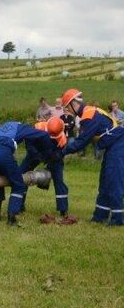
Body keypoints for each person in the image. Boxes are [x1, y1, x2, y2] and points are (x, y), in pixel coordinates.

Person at [61, 89, 124, 226]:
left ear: (73, 104)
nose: (67, 111)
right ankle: (100, 216)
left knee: (114, 181)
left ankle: (118, 219)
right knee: (105, 181)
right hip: (113, 146)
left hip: (119, 145)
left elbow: (81, 142)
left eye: (67, 107)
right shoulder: (88, 112)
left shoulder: (88, 116)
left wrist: (61, 151)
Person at [0, 120, 61, 227]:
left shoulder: (4, 126)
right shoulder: (22, 127)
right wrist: (48, 154)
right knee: (18, 184)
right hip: (2, 152)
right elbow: (44, 135)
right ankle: (12, 218)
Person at [19, 118, 75, 224]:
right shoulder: (37, 127)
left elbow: (59, 154)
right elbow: (29, 144)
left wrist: (50, 161)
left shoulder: (62, 139)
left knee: (59, 181)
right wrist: (37, 156)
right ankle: (19, 205)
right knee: (21, 176)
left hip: (52, 155)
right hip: (34, 153)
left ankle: (63, 210)